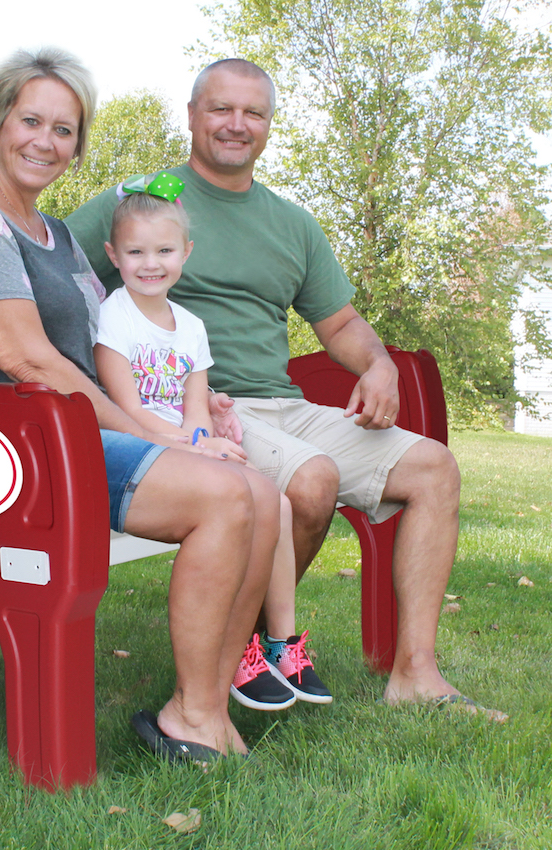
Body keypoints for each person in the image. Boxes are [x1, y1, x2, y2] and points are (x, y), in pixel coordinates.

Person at [67, 58, 507, 720]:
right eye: (221, 109)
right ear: (192, 116)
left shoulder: (291, 222)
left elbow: (340, 323)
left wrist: (378, 364)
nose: (236, 125)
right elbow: (52, 269)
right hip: (202, 408)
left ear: (269, 126)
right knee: (311, 481)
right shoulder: (144, 203)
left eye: (254, 113)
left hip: (287, 404)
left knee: (433, 469)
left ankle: (415, 673)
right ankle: (250, 649)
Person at [0, 46, 288, 761]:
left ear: (78, 144)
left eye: (64, 129)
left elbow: (104, 351)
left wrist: (196, 407)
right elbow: (25, 358)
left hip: (64, 432)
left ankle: (201, 705)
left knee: (261, 493)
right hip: (3, 449)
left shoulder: (53, 235)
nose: (45, 141)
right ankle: (199, 715)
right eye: (31, 120)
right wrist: (164, 441)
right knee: (222, 496)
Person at [93, 174, 331, 708]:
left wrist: (205, 439)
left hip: (187, 444)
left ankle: (279, 644)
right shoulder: (114, 316)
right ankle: (234, 652)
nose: (150, 263)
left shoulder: (192, 327)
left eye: (164, 250)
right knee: (239, 497)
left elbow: (195, 402)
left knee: (278, 501)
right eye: (135, 251)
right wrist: (196, 447)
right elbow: (126, 408)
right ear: (113, 254)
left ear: (186, 252)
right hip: (143, 447)